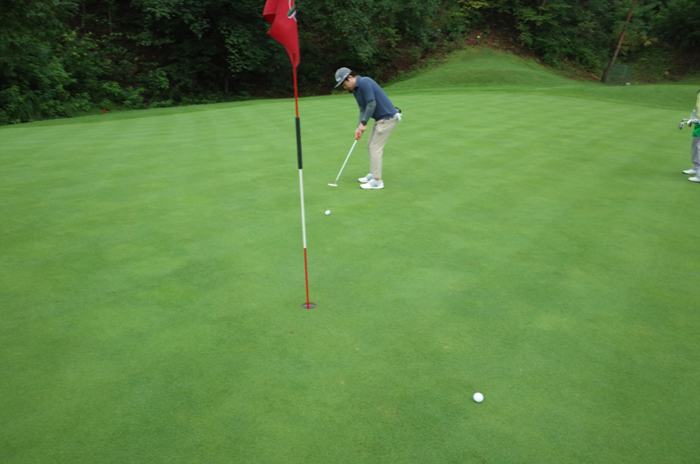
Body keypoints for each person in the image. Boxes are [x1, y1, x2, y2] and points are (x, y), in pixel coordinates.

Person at [334, 67, 401, 190]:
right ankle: (373, 173)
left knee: (375, 147)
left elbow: (371, 103)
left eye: (344, 83)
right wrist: (359, 126)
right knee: (370, 145)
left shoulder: (364, 82)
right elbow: (363, 109)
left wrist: (364, 122)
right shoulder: (355, 90)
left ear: (350, 77)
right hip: (380, 119)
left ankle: (377, 181)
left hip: (388, 118)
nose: (344, 87)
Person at [683, 89, 700, 183]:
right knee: (695, 146)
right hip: (698, 122)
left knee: (699, 147)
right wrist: (693, 117)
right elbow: (698, 107)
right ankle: (695, 168)